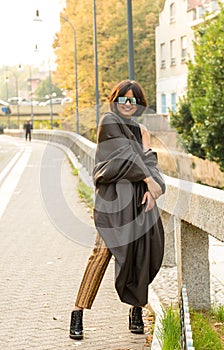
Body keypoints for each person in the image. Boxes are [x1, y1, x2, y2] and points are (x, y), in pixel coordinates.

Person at [69, 80, 166, 340]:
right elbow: (124, 156)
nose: (127, 103)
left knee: (142, 253)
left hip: (138, 201)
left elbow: (149, 161)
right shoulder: (109, 123)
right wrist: (147, 180)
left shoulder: (142, 131)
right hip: (112, 201)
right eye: (123, 98)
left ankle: (136, 310)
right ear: (115, 100)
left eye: (132, 100)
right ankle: (78, 312)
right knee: (101, 254)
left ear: (138, 104)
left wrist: (152, 189)